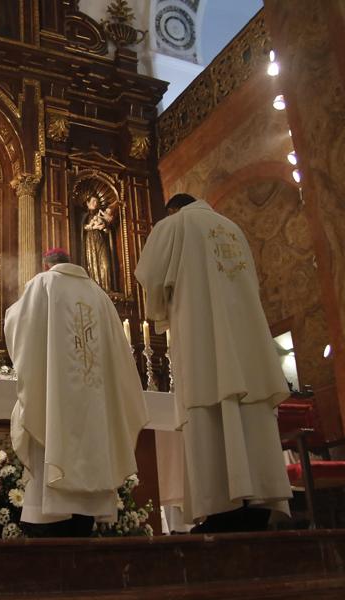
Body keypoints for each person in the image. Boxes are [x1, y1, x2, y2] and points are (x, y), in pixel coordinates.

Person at [135, 193, 292, 532]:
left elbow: (148, 273)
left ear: (173, 210)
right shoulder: (233, 228)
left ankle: (223, 509)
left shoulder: (175, 225)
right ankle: (259, 505)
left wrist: (160, 311)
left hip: (204, 336)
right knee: (249, 414)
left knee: (211, 410)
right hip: (247, 341)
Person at [6, 247, 148, 536]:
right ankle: (85, 517)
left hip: (54, 398)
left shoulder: (42, 285)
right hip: (95, 402)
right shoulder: (100, 296)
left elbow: (16, 324)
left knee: (51, 436)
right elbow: (119, 356)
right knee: (91, 442)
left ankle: (48, 523)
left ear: (47, 265)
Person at [82, 195, 119, 292]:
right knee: (93, 263)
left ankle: (107, 288)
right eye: (93, 201)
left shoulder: (100, 214)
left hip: (101, 240)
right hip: (90, 241)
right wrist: (93, 227)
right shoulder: (84, 216)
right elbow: (82, 227)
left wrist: (106, 226)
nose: (96, 203)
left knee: (105, 264)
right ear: (87, 203)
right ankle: (95, 289)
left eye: (97, 202)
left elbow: (108, 230)